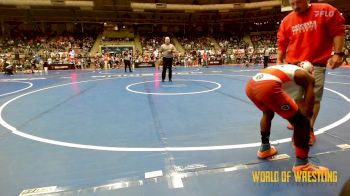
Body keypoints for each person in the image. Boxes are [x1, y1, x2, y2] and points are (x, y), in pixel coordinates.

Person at [276, 0, 346, 141]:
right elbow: (282, 42)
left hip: (316, 63)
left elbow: (338, 30)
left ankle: (308, 129)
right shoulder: (287, 20)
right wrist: (279, 61)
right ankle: (301, 121)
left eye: (298, 3)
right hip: (293, 64)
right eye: (292, 4)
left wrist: (338, 53)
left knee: (313, 98)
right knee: (296, 98)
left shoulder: (325, 10)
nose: (295, 7)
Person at [245, 62, 329, 172]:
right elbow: (309, 109)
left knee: (267, 113)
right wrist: (302, 129)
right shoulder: (307, 77)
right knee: (302, 122)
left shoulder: (290, 68)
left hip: (251, 85)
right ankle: (302, 166)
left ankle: (265, 148)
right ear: (311, 71)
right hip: (267, 86)